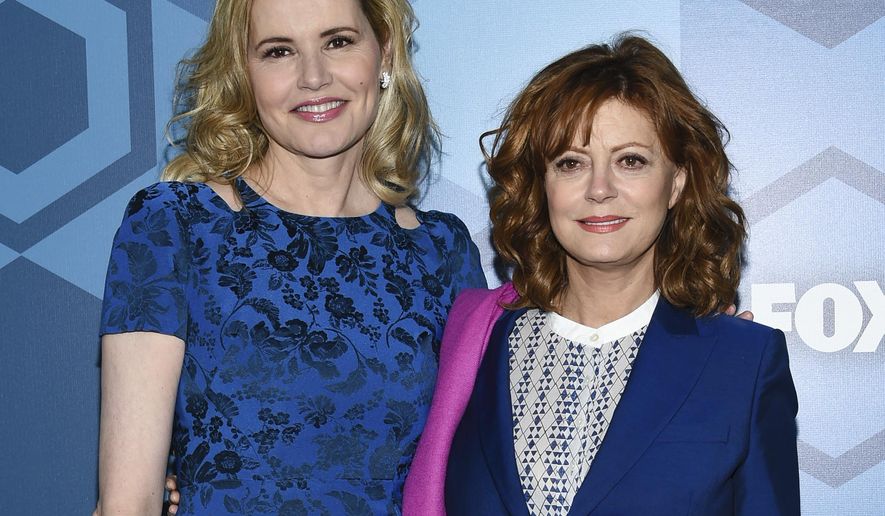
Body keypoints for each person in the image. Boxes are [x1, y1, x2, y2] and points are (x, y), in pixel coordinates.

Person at [95, 0, 485, 514]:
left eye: (338, 41)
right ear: (244, 72)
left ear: (384, 52)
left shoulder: (443, 252)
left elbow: (471, 476)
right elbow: (130, 502)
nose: (314, 77)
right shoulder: (174, 226)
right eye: (278, 51)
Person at [403, 35, 800, 515]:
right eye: (570, 163)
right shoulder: (474, 338)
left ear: (676, 181)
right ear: (541, 184)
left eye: (630, 161)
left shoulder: (745, 362)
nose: (599, 189)